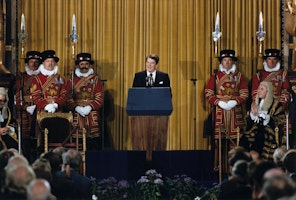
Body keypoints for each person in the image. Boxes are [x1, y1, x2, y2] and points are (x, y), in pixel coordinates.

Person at [205, 49, 249, 173]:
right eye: (225, 60)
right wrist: (219, 102)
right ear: (221, 62)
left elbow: (245, 93)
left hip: (235, 114)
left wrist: (234, 102)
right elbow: (208, 93)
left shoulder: (239, 76)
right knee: (219, 143)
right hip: (220, 113)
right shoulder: (215, 77)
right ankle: (219, 168)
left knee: (235, 142)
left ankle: (234, 168)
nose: (227, 63)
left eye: (230, 60)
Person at [251, 49, 291, 146]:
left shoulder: (283, 74)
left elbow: (286, 91)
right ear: (265, 60)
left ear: (278, 61)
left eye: (274, 59)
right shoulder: (259, 75)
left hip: (278, 110)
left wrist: (280, 104)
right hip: (262, 109)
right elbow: (254, 93)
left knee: (279, 137)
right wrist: (256, 105)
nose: (272, 62)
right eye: (269, 59)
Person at [66, 52, 104, 150]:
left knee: (93, 144)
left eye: (86, 64)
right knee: (77, 143)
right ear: (78, 65)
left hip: (92, 115)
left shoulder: (96, 80)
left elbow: (99, 98)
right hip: (77, 115)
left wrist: (90, 107)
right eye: (82, 64)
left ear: (90, 65)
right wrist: (76, 107)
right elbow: (67, 97)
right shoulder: (72, 80)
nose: (84, 66)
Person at [242, 81, 286, 159]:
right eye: (258, 88)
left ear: (268, 91)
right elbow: (248, 122)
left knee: (260, 138)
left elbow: (280, 120)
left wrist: (267, 118)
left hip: (269, 132)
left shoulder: (276, 104)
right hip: (255, 131)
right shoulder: (255, 104)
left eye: (262, 89)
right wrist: (252, 116)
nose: (258, 91)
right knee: (244, 139)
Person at [15, 51, 41, 162]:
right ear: (27, 63)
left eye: (36, 62)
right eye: (31, 62)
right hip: (25, 112)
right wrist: (25, 107)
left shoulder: (42, 78)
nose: (34, 65)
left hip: (39, 110)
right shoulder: (21, 79)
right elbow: (16, 98)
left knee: (39, 138)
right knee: (25, 140)